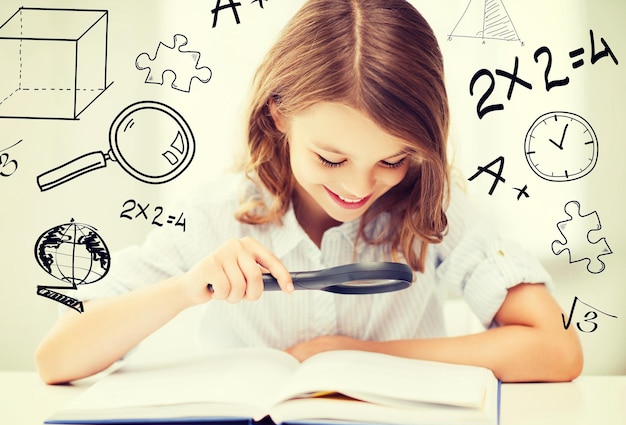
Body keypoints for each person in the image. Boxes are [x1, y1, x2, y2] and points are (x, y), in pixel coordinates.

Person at [35, 0, 583, 385]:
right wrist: (185, 289)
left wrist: (361, 357)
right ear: (279, 113)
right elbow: (57, 358)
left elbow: (558, 348)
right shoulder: (214, 214)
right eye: (331, 158)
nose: (357, 186)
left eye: (392, 160)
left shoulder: (433, 209)